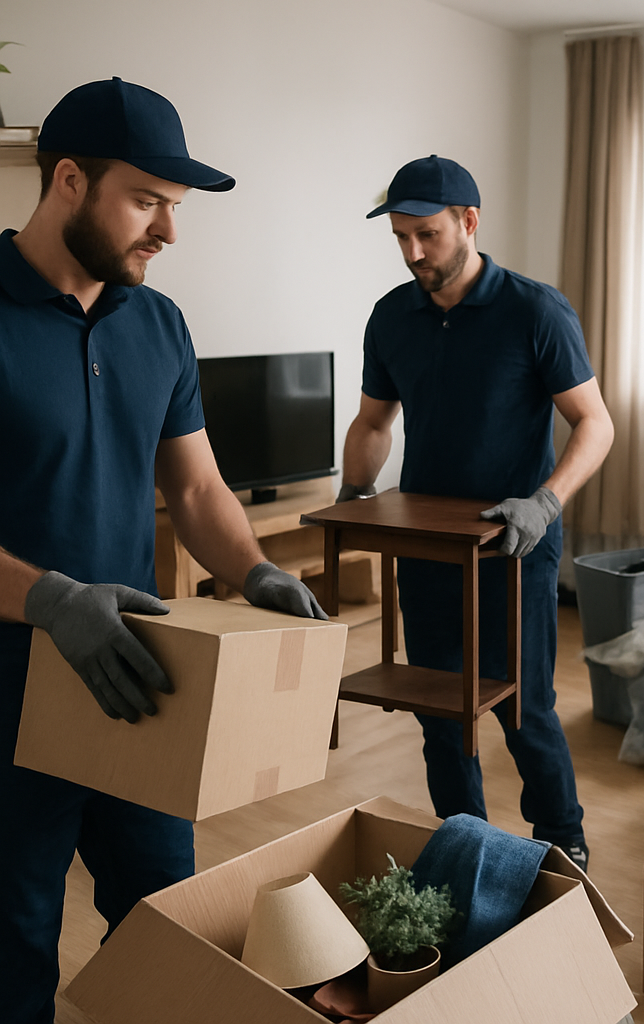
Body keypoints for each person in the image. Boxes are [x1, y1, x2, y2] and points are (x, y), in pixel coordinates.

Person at [0, 78, 326, 1024]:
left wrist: (256, 569)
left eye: (174, 209)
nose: (168, 233)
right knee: (14, 940)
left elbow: (195, 489)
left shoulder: (160, 323)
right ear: (69, 179)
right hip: (10, 697)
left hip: (137, 684)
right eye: (147, 202)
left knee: (163, 919)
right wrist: (52, 598)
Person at [338, 155, 614, 871]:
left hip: (517, 543)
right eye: (400, 237)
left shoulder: (535, 310)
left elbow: (595, 423)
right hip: (428, 546)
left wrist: (546, 501)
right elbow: (373, 423)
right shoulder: (391, 316)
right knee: (439, 708)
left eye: (426, 234)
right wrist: (353, 498)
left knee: (525, 707)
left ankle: (563, 835)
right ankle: (463, 838)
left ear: (469, 221)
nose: (412, 253)